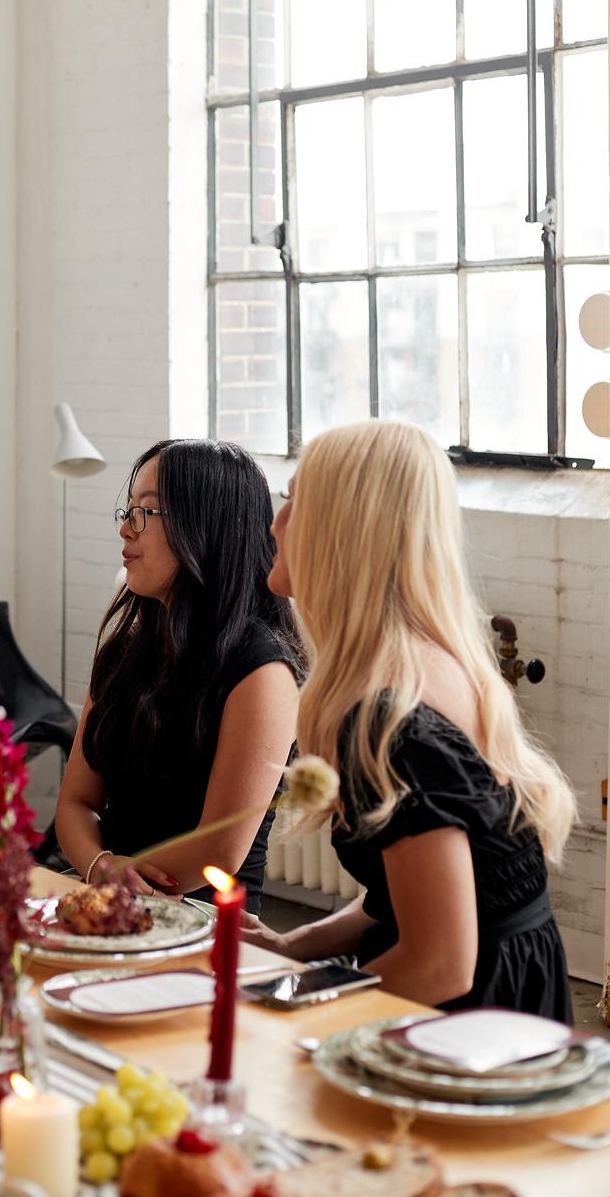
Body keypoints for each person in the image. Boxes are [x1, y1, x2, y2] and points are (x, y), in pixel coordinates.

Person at [244, 420, 576, 1019]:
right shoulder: (436, 663)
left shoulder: (387, 719)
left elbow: (441, 962)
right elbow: (410, 897)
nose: (275, 523)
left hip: (478, 1019)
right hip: (514, 984)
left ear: (341, 531)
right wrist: (294, 946)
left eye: (292, 501)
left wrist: (298, 1015)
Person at [55, 439, 304, 913]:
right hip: (108, 894)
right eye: (128, 511)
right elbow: (75, 803)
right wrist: (100, 866)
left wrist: (120, 877)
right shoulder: (123, 652)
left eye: (146, 513)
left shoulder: (263, 669)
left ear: (204, 526)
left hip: (202, 915)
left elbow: (220, 850)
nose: (126, 530)